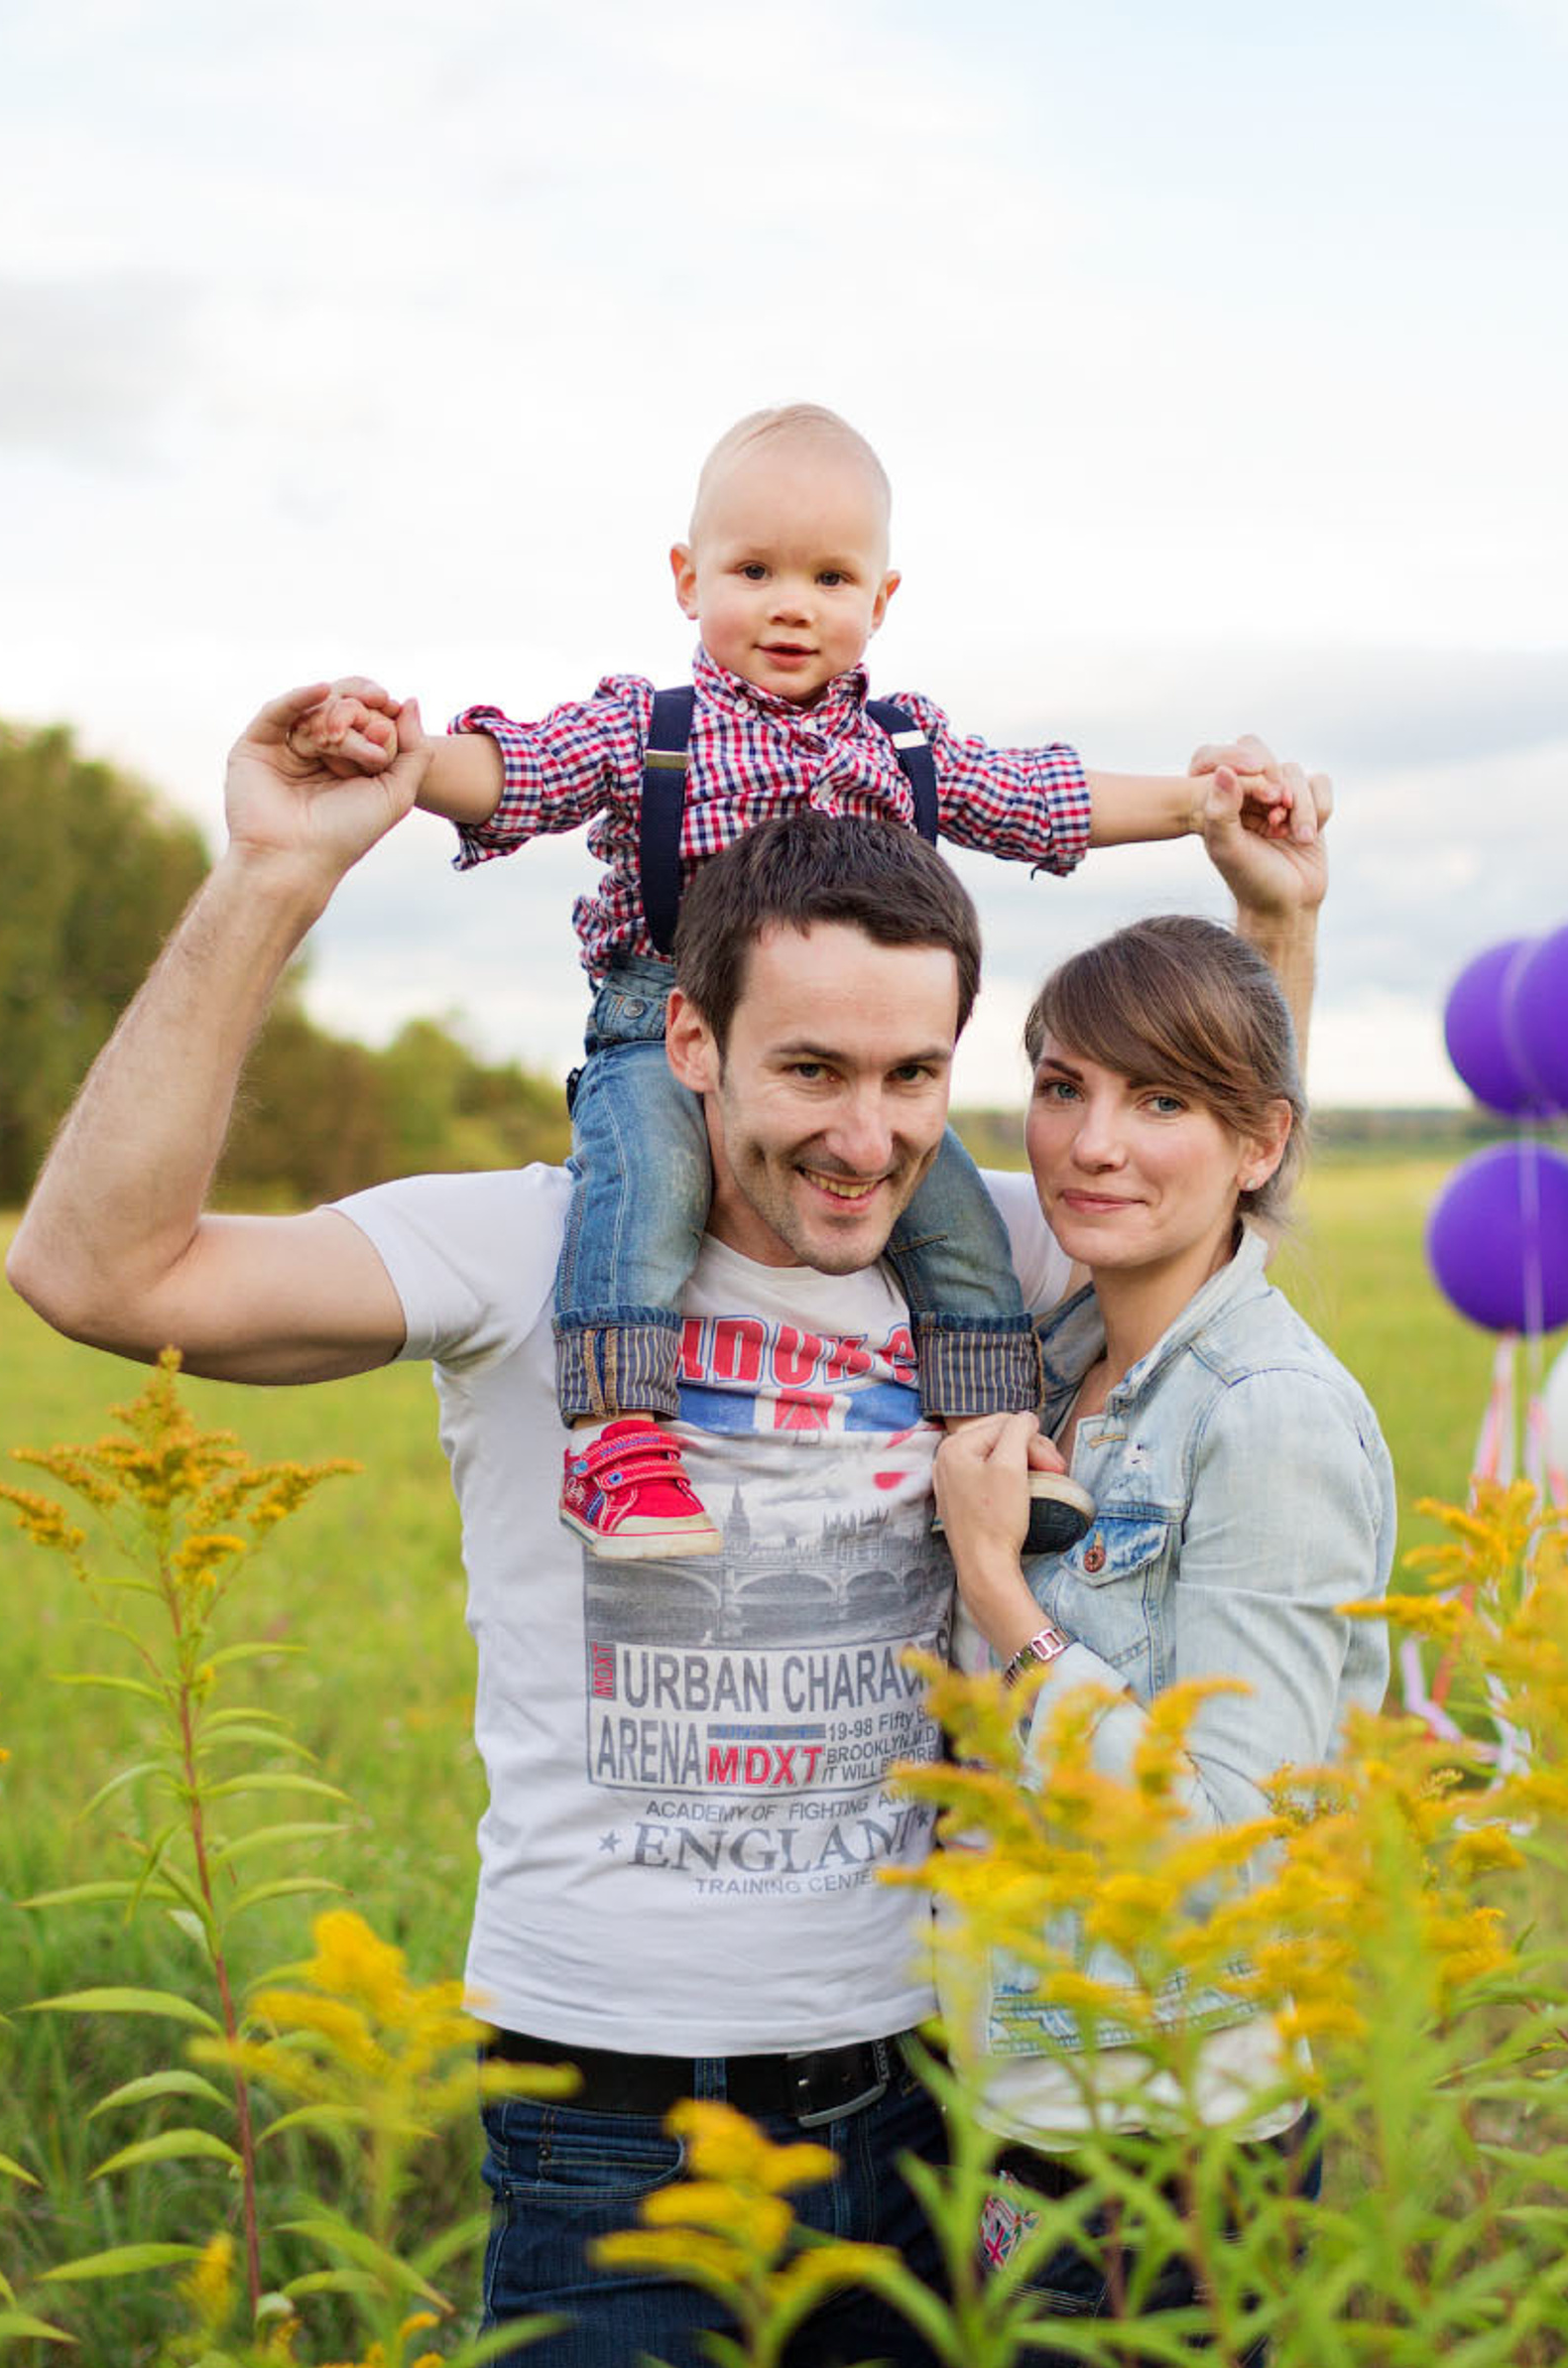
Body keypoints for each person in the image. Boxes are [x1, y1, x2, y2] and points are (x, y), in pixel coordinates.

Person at [4, 685, 1329, 2368]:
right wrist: (272, 882)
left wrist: (1275, 926)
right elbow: (94, 1269)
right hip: (615, 2135)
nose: (866, 1141)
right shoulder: (527, 1248)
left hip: (937, 2125)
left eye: (914, 1079)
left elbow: (1221, 1198)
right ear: (688, 1038)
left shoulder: (993, 1252)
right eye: (809, 1072)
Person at [291, 402, 1293, 1562]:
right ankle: (619, 1438)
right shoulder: (648, 732)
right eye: (753, 568)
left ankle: (991, 1436)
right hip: (660, 1032)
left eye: (829, 576)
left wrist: (1192, 802)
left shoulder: (901, 752)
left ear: (882, 599)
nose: (790, 603)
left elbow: (1041, 799)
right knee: (646, 1188)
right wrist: (410, 763)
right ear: (685, 576)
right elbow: (522, 770)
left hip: (845, 1064)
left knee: (960, 1227)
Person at [929, 916, 1396, 2368]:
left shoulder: (1265, 1419)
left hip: (1168, 2144)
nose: (1092, 1144)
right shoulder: (1065, 1356)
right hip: (1025, 2099)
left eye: (1162, 1104)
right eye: (1062, 1088)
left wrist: (1006, 1603)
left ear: (1263, 1142)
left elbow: (1226, 1833)